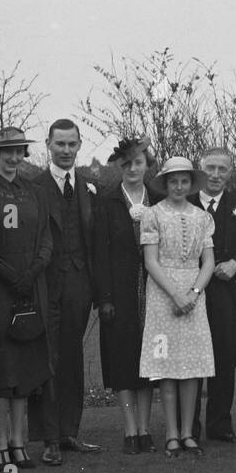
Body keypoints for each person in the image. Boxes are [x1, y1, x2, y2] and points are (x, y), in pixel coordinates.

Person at [0, 128, 54, 472]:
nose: (13, 158)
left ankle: (20, 443)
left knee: (25, 366)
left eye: (18, 151)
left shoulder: (34, 192)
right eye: (6, 152)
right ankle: (0, 442)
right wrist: (9, 276)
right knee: (0, 367)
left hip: (31, 288)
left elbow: (46, 240)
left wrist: (31, 273)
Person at [27, 119, 109, 466]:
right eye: (59, 144)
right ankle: (48, 439)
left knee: (73, 358)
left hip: (79, 284)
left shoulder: (92, 188)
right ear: (48, 144)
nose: (65, 150)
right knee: (48, 360)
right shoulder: (34, 187)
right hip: (46, 285)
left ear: (79, 145)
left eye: (71, 144)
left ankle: (69, 431)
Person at [139, 156, 216, 458]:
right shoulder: (152, 215)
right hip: (162, 293)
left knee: (192, 367)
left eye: (184, 181)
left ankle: (188, 433)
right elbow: (150, 261)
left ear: (191, 184)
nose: (179, 186)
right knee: (167, 367)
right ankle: (171, 432)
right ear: (166, 184)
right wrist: (175, 294)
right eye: (174, 181)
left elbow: (208, 261)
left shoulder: (202, 217)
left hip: (194, 292)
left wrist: (194, 292)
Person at [189, 148, 236, 445]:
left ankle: (220, 425)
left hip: (229, 293)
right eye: (210, 168)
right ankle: (187, 427)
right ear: (200, 169)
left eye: (222, 169)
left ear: (231, 172)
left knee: (224, 357)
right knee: (191, 359)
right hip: (192, 291)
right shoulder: (186, 203)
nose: (216, 175)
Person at [97, 136, 163, 454]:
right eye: (127, 164)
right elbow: (101, 253)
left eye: (138, 162)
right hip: (120, 293)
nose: (133, 168)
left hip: (154, 291)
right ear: (120, 167)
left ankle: (146, 428)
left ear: (146, 164)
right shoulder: (108, 201)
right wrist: (105, 297)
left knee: (149, 362)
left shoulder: (160, 199)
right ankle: (130, 429)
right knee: (123, 359)